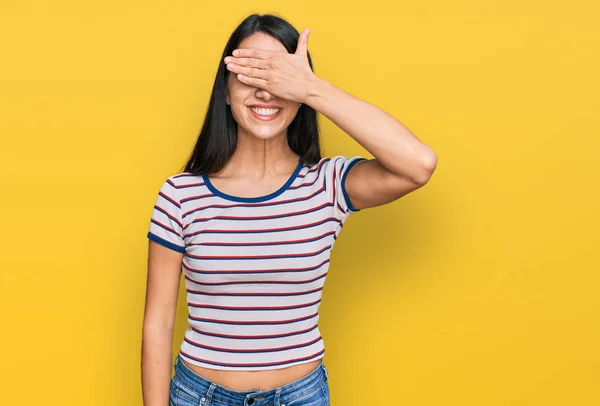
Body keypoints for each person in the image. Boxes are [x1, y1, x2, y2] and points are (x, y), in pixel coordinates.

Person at [141, 13, 437, 406]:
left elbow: (418, 164)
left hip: (300, 396)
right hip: (199, 395)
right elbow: (158, 323)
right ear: (226, 93)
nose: (266, 92)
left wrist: (311, 88)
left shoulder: (327, 186)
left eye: (278, 77)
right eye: (251, 75)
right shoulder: (181, 195)